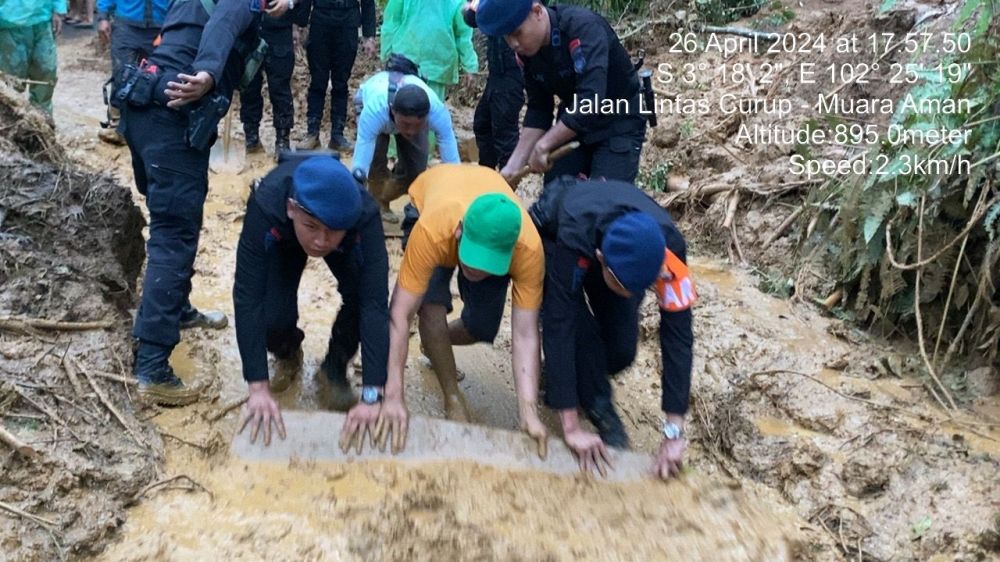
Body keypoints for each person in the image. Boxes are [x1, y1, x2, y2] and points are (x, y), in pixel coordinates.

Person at [117, 0, 290, 406]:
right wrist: (210, 74)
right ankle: (152, 368)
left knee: (172, 223)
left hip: (143, 105)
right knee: (173, 236)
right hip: (174, 110)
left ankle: (175, 309)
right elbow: (225, 25)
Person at [338, 163, 547, 456]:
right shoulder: (434, 229)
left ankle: (433, 342)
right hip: (433, 203)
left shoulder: (529, 249)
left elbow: (525, 334)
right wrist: (393, 395)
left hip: (490, 216)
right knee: (429, 307)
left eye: (487, 263)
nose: (475, 268)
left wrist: (529, 413)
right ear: (460, 230)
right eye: (472, 258)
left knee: (482, 328)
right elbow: (399, 314)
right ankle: (452, 395)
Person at [528, 176, 695, 479]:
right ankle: (599, 407)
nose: (632, 296)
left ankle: (569, 379)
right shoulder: (575, 232)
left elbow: (679, 337)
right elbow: (558, 322)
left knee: (621, 349)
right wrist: (570, 427)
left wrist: (674, 432)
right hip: (557, 236)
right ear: (602, 260)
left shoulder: (670, 253)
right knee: (579, 331)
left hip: (624, 256)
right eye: (624, 287)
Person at [234, 155, 389, 445]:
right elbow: (247, 296)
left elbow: (375, 304)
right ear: (293, 209)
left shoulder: (363, 213)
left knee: (359, 296)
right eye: (313, 227)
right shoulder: (267, 203)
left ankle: (333, 368)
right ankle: (287, 352)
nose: (320, 241)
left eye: (330, 231)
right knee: (273, 316)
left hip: (340, 233)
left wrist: (372, 394)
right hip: (284, 236)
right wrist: (257, 387)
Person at [477, 0, 646, 184]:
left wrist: (544, 144)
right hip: (573, 125)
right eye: (507, 38)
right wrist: (514, 164)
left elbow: (590, 102)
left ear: (537, 12)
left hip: (618, 122)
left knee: (602, 203)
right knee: (556, 197)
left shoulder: (584, 28)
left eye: (517, 33)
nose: (514, 44)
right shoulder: (527, 53)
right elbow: (539, 107)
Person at [351, 63, 460, 221]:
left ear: (427, 118)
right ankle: (373, 206)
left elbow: (453, 165)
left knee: (415, 172)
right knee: (376, 162)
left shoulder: (437, 112)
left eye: (416, 126)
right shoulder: (374, 112)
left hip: (406, 111)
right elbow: (360, 167)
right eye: (405, 125)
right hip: (369, 100)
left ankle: (382, 198)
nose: (410, 131)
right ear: (393, 110)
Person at [298, 0, 377, 152]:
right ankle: (312, 133)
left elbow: (368, 3)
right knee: (317, 81)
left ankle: (337, 135)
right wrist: (300, 24)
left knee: (341, 82)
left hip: (348, 22)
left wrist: (369, 36)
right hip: (320, 20)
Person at [95, 0, 170, 145]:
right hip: (126, 25)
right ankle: (116, 125)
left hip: (161, 26)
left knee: (157, 77)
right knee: (121, 74)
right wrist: (103, 17)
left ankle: (153, 127)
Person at [240, 0, 309, 156]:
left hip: (279, 31)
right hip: (249, 29)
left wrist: (290, 3)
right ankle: (251, 138)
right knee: (249, 86)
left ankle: (282, 140)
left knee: (280, 88)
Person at [461, 0, 523, 170]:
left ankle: (507, 183)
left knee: (504, 133)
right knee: (483, 124)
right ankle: (487, 175)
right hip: (498, 72)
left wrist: (477, 8)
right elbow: (471, 18)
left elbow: (474, 15)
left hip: (513, 70)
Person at [379, 0, 477, 105]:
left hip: (428, 64)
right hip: (413, 63)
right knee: (412, 109)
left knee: (411, 108)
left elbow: (462, 35)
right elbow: (392, 22)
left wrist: (469, 66)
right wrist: (470, 66)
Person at [0, 0, 64, 115]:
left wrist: (58, 9)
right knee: (11, 82)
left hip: (43, 20)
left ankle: (42, 122)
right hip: (9, 21)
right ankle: (10, 122)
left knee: (46, 74)